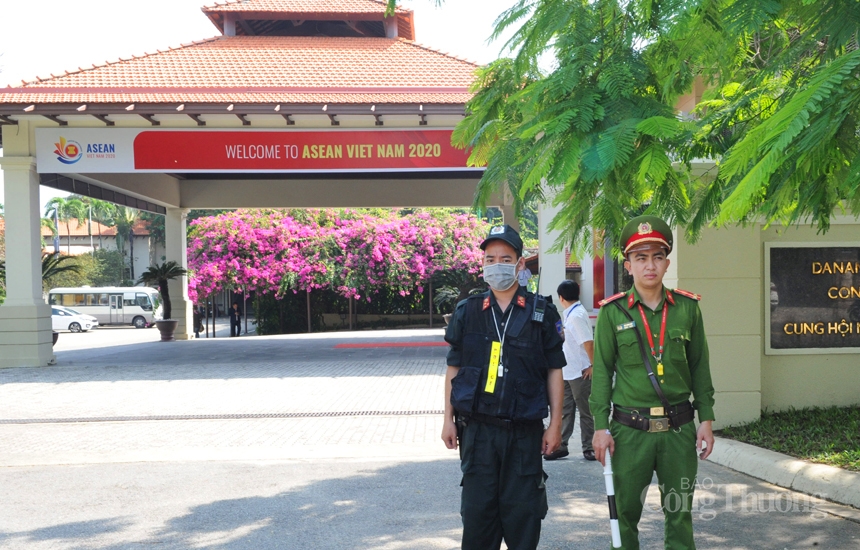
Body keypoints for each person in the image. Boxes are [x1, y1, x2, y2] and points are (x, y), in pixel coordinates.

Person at [589, 215, 716, 550]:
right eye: (641, 258)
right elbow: (601, 372)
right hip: (630, 432)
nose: (650, 265)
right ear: (628, 265)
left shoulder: (688, 308)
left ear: (666, 262)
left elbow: (700, 365)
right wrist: (600, 426)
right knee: (625, 516)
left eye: (657, 257)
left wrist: (706, 419)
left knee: (679, 514)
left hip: (678, 429)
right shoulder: (613, 313)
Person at [442, 224, 566, 550]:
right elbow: (453, 367)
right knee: (478, 520)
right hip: (477, 433)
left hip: (524, 435)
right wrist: (446, 419)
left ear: (519, 264)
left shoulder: (542, 312)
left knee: (523, 521)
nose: (497, 264)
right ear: (482, 263)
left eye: (505, 258)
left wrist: (555, 425)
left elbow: (555, 370)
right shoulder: (468, 312)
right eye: (490, 258)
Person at [545, 280, 595, 461]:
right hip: (567, 370)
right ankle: (561, 445)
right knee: (565, 410)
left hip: (580, 372)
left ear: (561, 297)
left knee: (585, 411)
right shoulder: (570, 313)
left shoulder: (576, 315)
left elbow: (588, 342)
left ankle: (588, 446)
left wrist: (592, 365)